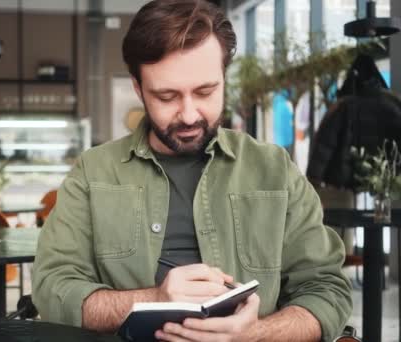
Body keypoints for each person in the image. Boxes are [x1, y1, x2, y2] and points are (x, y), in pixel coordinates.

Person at [32, 0, 352, 341]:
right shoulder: (93, 172)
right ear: (138, 88)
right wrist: (150, 301)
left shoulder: (274, 170)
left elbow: (327, 290)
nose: (188, 115)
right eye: (167, 96)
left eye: (205, 91)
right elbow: (53, 289)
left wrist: (256, 333)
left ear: (224, 77)